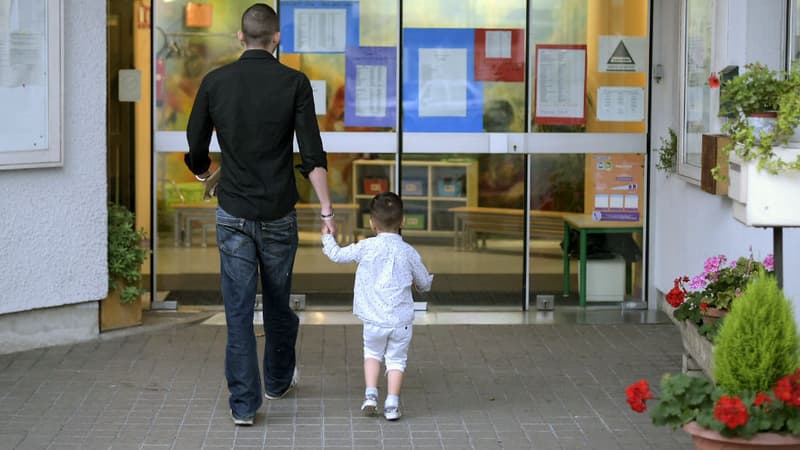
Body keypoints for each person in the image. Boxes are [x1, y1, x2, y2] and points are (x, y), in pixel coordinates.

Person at [184, 3, 335, 426]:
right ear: (277, 39)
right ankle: (277, 379)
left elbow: (195, 141)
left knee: (237, 309)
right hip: (278, 212)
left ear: (240, 37)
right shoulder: (294, 83)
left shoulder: (216, 82)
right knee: (277, 302)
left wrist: (205, 172)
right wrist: (326, 210)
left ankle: (245, 406)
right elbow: (312, 154)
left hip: (232, 210)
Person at [321, 192, 433, 420]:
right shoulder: (408, 252)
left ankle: (370, 395)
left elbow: (337, 255)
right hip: (400, 322)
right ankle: (392, 404)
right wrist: (424, 281)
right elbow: (423, 282)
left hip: (373, 320)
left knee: (372, 353)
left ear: (371, 223)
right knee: (396, 360)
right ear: (402, 221)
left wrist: (327, 237)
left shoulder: (366, 247)